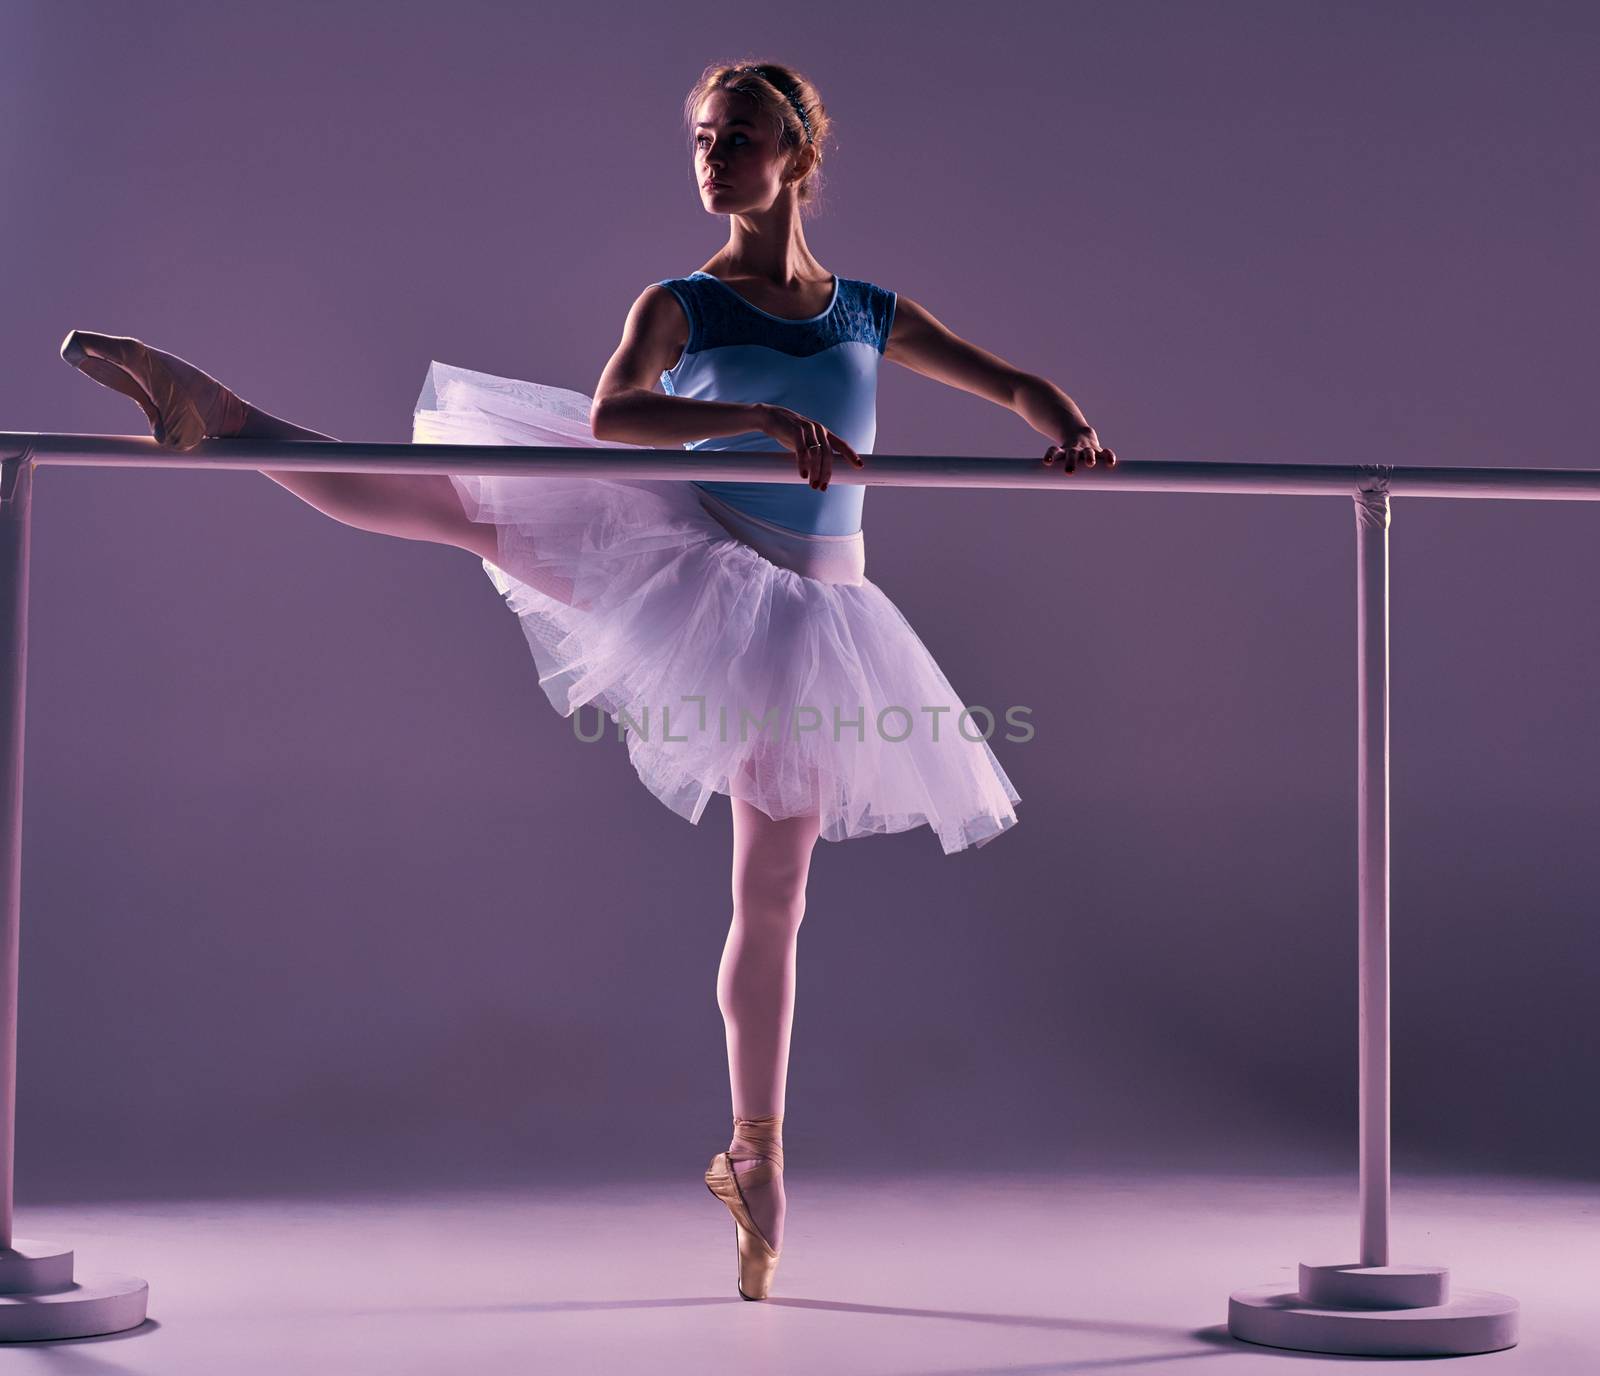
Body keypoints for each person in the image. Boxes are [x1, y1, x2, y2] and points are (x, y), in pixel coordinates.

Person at [57, 59, 1115, 1303]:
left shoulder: (868, 311)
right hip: (692, 554)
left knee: (772, 898)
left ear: (797, 155)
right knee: (441, 502)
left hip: (815, 606)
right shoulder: (682, 302)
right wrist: (756, 427)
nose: (714, 158)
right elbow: (617, 417)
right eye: (705, 140)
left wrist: (1068, 425)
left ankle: (755, 1154)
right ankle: (224, 417)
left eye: (740, 139)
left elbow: (1010, 381)